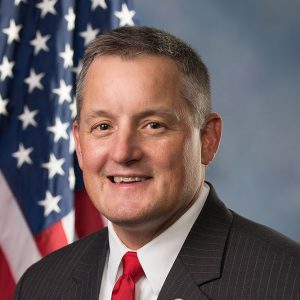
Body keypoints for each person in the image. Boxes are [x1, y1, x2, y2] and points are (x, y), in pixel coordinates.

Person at [14, 26, 300, 300]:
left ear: (207, 139)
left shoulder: (286, 281)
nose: (123, 152)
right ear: (78, 142)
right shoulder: (40, 285)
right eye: (103, 126)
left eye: (153, 125)